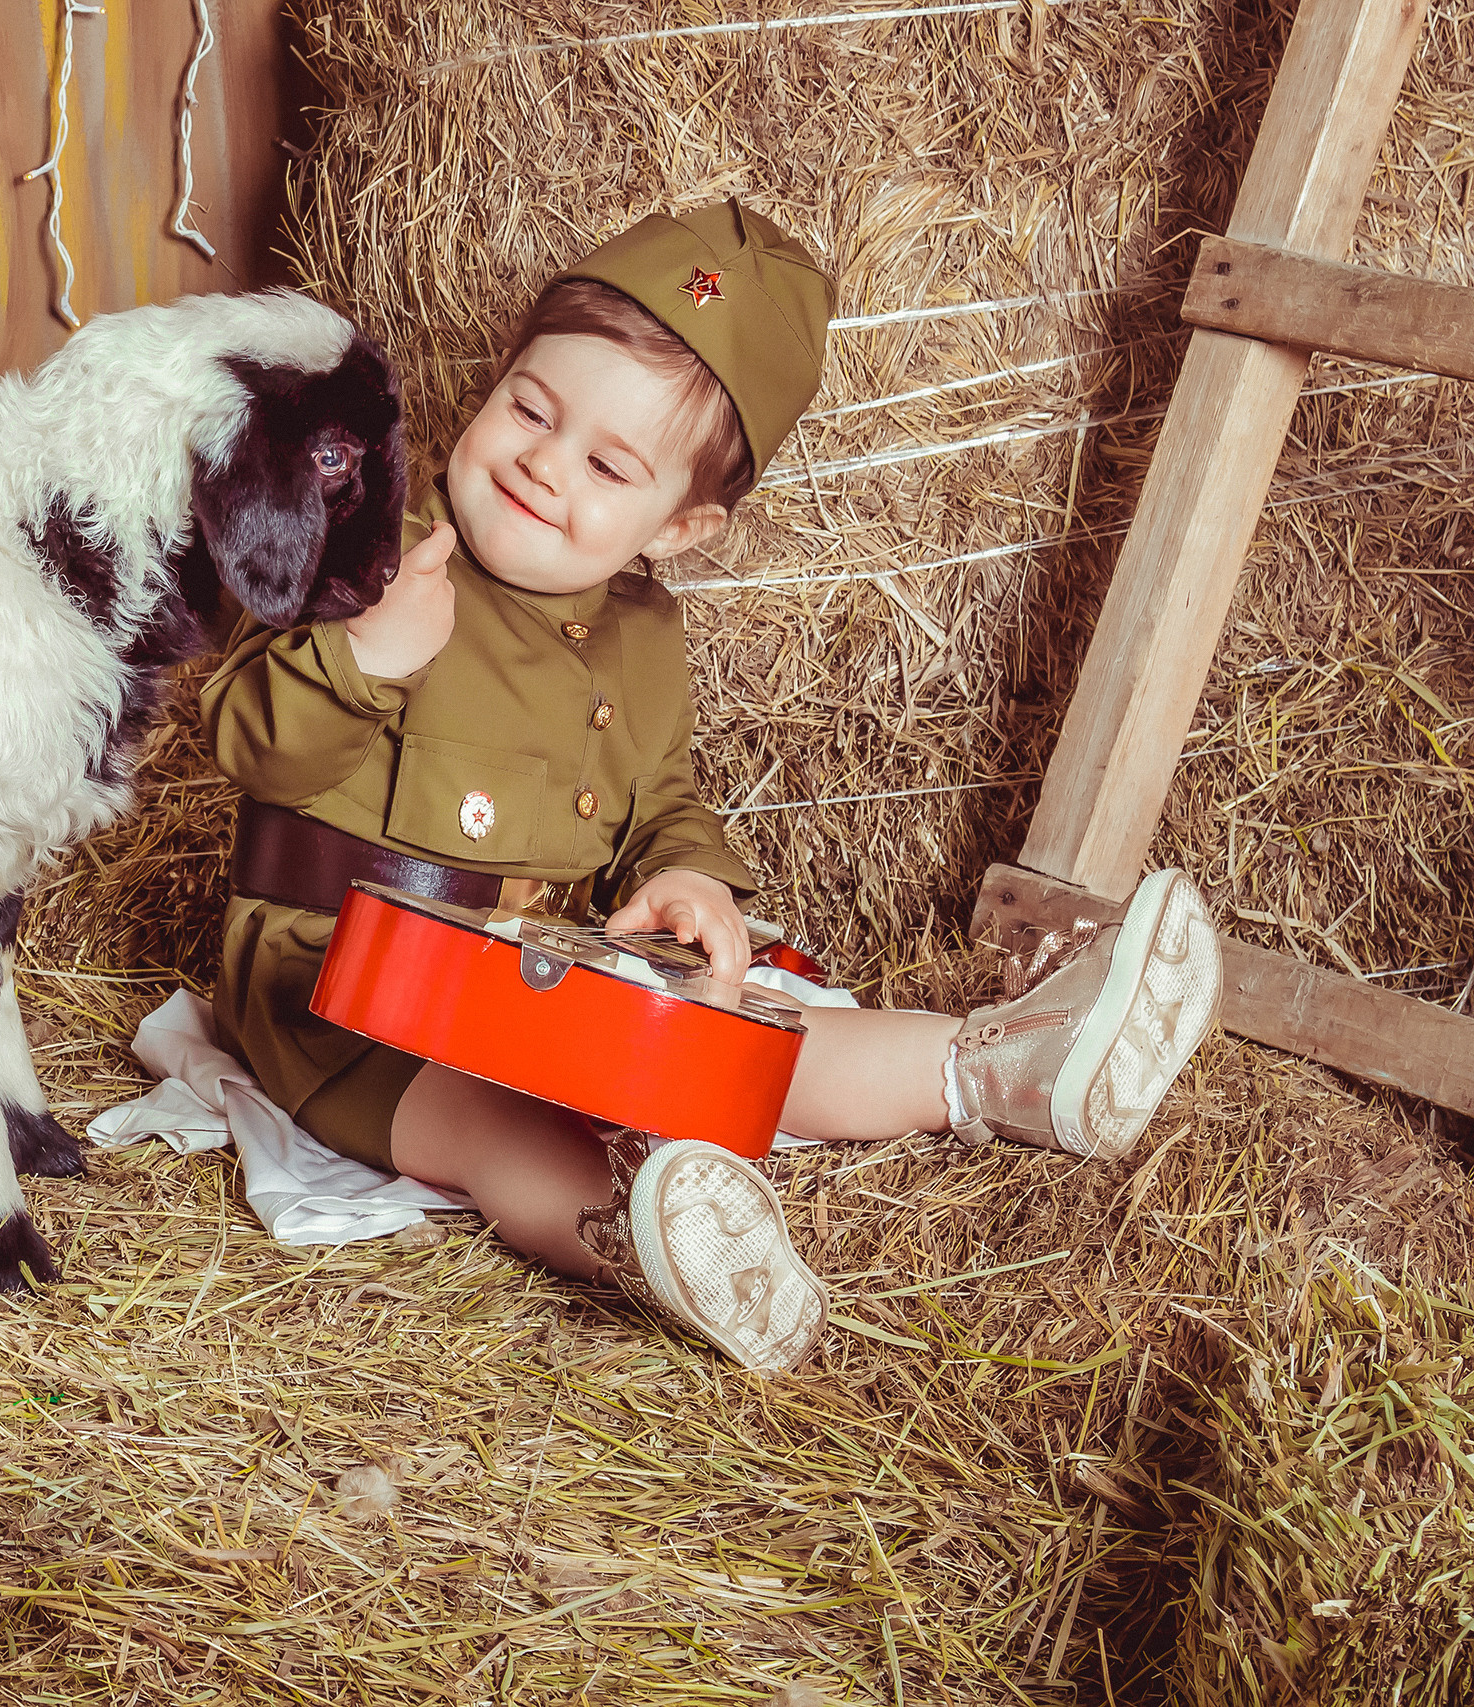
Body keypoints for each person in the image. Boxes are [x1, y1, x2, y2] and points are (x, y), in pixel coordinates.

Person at [198, 202, 1222, 1377]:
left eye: (606, 464)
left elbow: (661, 800)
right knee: (496, 1128)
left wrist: (683, 875)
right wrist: (369, 652)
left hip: (537, 969)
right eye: (530, 408)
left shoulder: (641, 637)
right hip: (338, 988)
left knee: (752, 1028)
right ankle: (644, 1236)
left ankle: (1005, 1069)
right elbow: (250, 748)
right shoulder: (378, 549)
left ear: (677, 528)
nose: (540, 460)